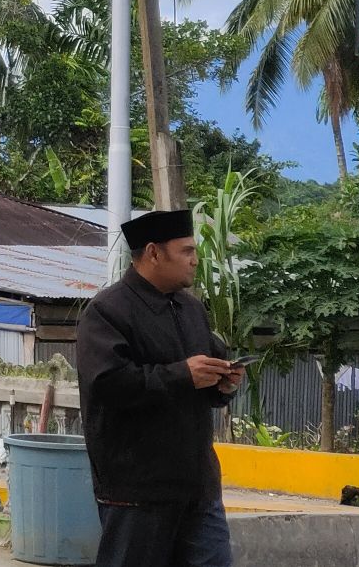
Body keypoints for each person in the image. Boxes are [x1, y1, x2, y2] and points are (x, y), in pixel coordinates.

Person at [74, 209, 245, 567]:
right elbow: (108, 385)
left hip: (198, 488)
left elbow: (205, 383)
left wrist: (224, 383)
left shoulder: (192, 309)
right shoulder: (107, 312)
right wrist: (183, 375)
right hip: (137, 491)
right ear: (153, 253)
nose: (195, 261)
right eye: (186, 251)